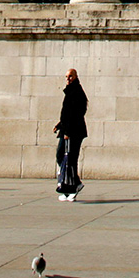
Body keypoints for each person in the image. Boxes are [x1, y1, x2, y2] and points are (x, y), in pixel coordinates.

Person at [53, 68, 88, 201]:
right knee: (61, 156)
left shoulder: (77, 92)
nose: (68, 79)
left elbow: (77, 114)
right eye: (67, 76)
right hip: (67, 130)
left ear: (76, 76)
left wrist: (68, 132)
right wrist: (60, 125)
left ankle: (72, 188)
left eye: (70, 76)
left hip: (73, 132)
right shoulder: (70, 92)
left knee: (70, 160)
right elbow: (67, 114)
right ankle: (71, 186)